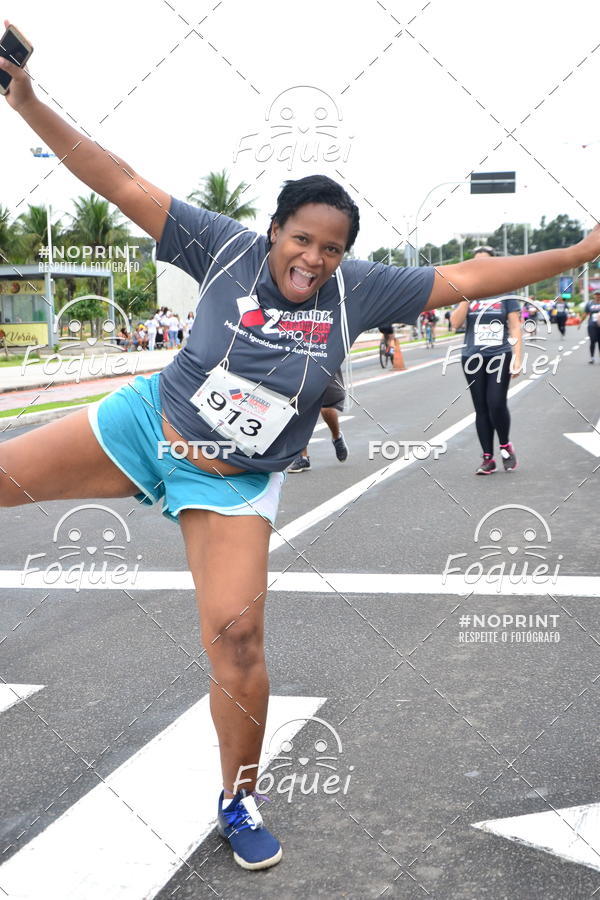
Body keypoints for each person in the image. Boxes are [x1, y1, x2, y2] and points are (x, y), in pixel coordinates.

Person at [2, 29, 600, 870]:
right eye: (302, 239)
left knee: (239, 641)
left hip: (236, 484)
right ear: (274, 229)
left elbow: (466, 281)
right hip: (151, 425)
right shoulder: (221, 246)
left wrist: (579, 252)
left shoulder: (360, 288)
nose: (313, 258)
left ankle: (239, 800)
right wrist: (27, 102)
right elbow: (120, 177)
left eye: (331, 247)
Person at [450, 246, 523, 475]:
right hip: (472, 357)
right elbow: (455, 323)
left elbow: (515, 326)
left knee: (496, 403)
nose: (479, 266)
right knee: (481, 409)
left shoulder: (506, 291)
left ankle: (504, 446)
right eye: (475, 262)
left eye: (484, 262)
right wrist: (467, 295)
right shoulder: (464, 291)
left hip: (499, 355)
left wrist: (518, 357)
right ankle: (487, 458)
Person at [288, 369, 349, 472]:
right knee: (299, 407)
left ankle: (336, 437)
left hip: (324, 361)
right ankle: (303, 458)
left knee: (326, 409)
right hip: (299, 361)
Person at [579, 288, 600, 363]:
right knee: (593, 340)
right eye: (596, 294)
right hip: (592, 325)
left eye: (599, 294)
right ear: (594, 295)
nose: (598, 296)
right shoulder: (590, 303)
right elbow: (585, 314)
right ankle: (592, 357)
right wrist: (580, 322)